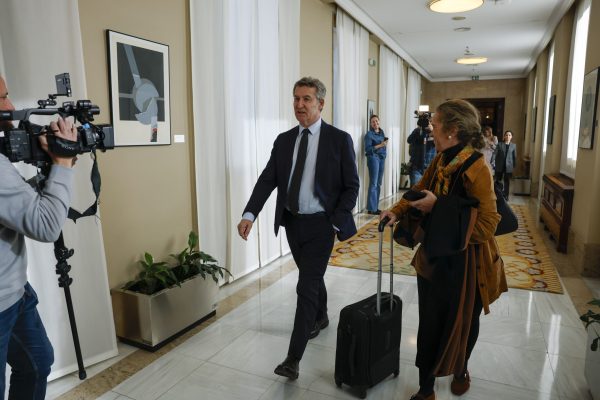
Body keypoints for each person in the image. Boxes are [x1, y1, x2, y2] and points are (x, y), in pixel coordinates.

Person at [381, 99, 507, 400]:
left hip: (467, 265)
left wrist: (438, 208)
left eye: (435, 125)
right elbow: (418, 190)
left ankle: (461, 368)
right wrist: (396, 211)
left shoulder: (478, 167)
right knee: (429, 323)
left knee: (464, 323)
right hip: (434, 258)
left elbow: (487, 225)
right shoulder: (439, 160)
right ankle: (426, 389)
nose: (430, 130)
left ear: (453, 130)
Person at [237, 77, 359, 380]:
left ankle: (293, 358)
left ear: (321, 103)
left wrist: (336, 221)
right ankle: (321, 315)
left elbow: (351, 187)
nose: (299, 105)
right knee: (311, 276)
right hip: (292, 223)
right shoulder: (284, 140)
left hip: (322, 225)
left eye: (306, 99)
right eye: (296, 98)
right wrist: (250, 213)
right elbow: (267, 179)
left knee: (305, 286)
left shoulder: (339, 139)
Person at [0, 75, 78, 400]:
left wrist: (53, 168)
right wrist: (63, 163)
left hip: (14, 291)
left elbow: (15, 204)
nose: (10, 105)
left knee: (36, 363)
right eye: (2, 98)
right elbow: (46, 225)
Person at [364, 114, 387, 215]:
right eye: (373, 122)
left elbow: (384, 146)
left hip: (381, 158)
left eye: (376, 121)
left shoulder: (382, 133)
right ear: (370, 124)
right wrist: (380, 145)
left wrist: (384, 150)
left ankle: (375, 207)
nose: (375, 123)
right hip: (373, 158)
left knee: (378, 183)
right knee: (373, 183)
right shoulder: (369, 135)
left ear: (379, 121)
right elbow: (368, 149)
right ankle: (371, 209)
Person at [407, 118, 436, 186]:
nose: (428, 124)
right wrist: (419, 128)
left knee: (428, 191)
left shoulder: (436, 133)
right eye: (427, 122)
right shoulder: (417, 131)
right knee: (416, 191)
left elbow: (440, 144)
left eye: (430, 122)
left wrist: (433, 131)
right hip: (416, 167)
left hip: (430, 169)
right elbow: (409, 140)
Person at [493, 130, 517, 199]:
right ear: (504, 136)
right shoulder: (499, 144)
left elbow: (514, 156)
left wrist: (514, 165)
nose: (508, 136)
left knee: (507, 181)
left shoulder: (513, 145)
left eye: (509, 135)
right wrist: (492, 161)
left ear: (511, 137)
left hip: (509, 166)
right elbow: (495, 153)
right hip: (499, 165)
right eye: (506, 135)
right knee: (498, 180)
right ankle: (497, 195)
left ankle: (506, 195)